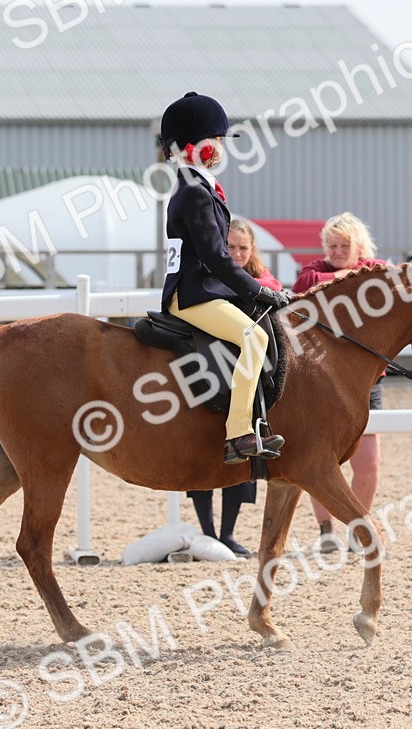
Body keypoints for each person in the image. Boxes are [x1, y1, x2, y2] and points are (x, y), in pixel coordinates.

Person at [159, 92, 291, 464]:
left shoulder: (197, 187)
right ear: (196, 146)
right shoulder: (195, 193)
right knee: (255, 337)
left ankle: (258, 419)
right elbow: (216, 257)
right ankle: (238, 433)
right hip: (193, 293)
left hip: (202, 289)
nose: (220, 147)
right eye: (215, 140)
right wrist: (258, 289)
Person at [184, 219, 282, 557]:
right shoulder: (205, 281)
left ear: (252, 250)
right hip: (209, 360)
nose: (237, 253)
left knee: (244, 437)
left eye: (243, 247)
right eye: (230, 247)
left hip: (246, 371)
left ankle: (227, 533)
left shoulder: (265, 283)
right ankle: (208, 532)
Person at [292, 212, 386, 553]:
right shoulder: (314, 269)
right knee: (319, 458)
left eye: (344, 245)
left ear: (359, 246)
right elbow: (305, 283)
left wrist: (350, 275)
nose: (336, 251)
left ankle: (356, 528)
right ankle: (326, 529)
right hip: (321, 380)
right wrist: (351, 276)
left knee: (369, 461)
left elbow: (387, 281)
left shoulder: (377, 268)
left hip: (367, 381)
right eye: (331, 245)